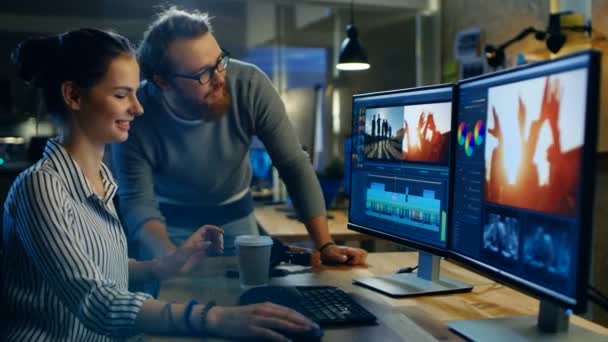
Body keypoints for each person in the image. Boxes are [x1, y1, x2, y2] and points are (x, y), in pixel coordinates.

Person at [1, 28, 317, 341]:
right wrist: (214, 317)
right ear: (73, 96)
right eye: (122, 95)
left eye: (135, 94)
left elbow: (97, 269)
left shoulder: (100, 180)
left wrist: (163, 266)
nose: (138, 108)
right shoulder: (41, 188)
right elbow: (96, 301)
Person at [112, 7, 367, 265]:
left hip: (236, 220)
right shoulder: (135, 111)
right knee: (175, 296)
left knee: (249, 295)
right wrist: (170, 260)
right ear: (163, 82)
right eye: (203, 73)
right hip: (167, 225)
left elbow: (293, 164)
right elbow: (137, 201)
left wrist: (325, 244)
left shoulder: (250, 84)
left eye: (220, 62)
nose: (220, 78)